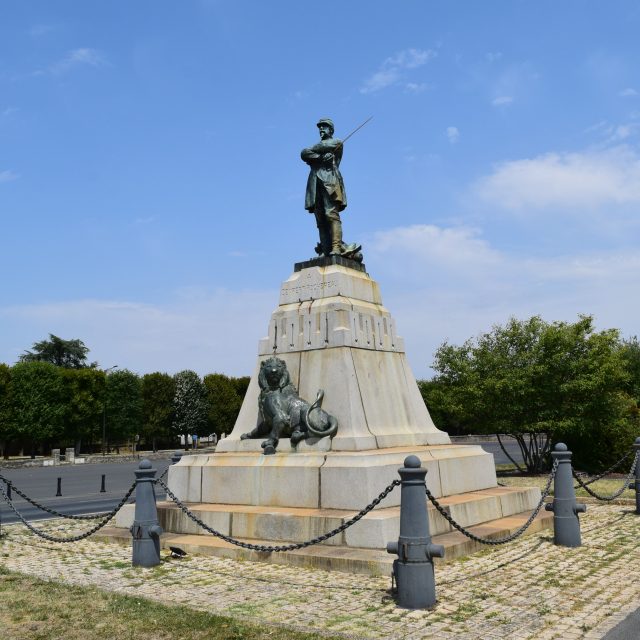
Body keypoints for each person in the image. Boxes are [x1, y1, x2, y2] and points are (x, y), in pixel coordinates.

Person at [301, 118, 347, 256]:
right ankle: (325, 249)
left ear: (331, 130)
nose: (321, 129)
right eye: (320, 127)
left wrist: (314, 154)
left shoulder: (337, 142)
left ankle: (336, 247)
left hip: (330, 181)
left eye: (324, 127)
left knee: (330, 214)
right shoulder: (318, 146)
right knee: (320, 217)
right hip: (315, 182)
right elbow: (303, 153)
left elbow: (327, 146)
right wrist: (321, 158)